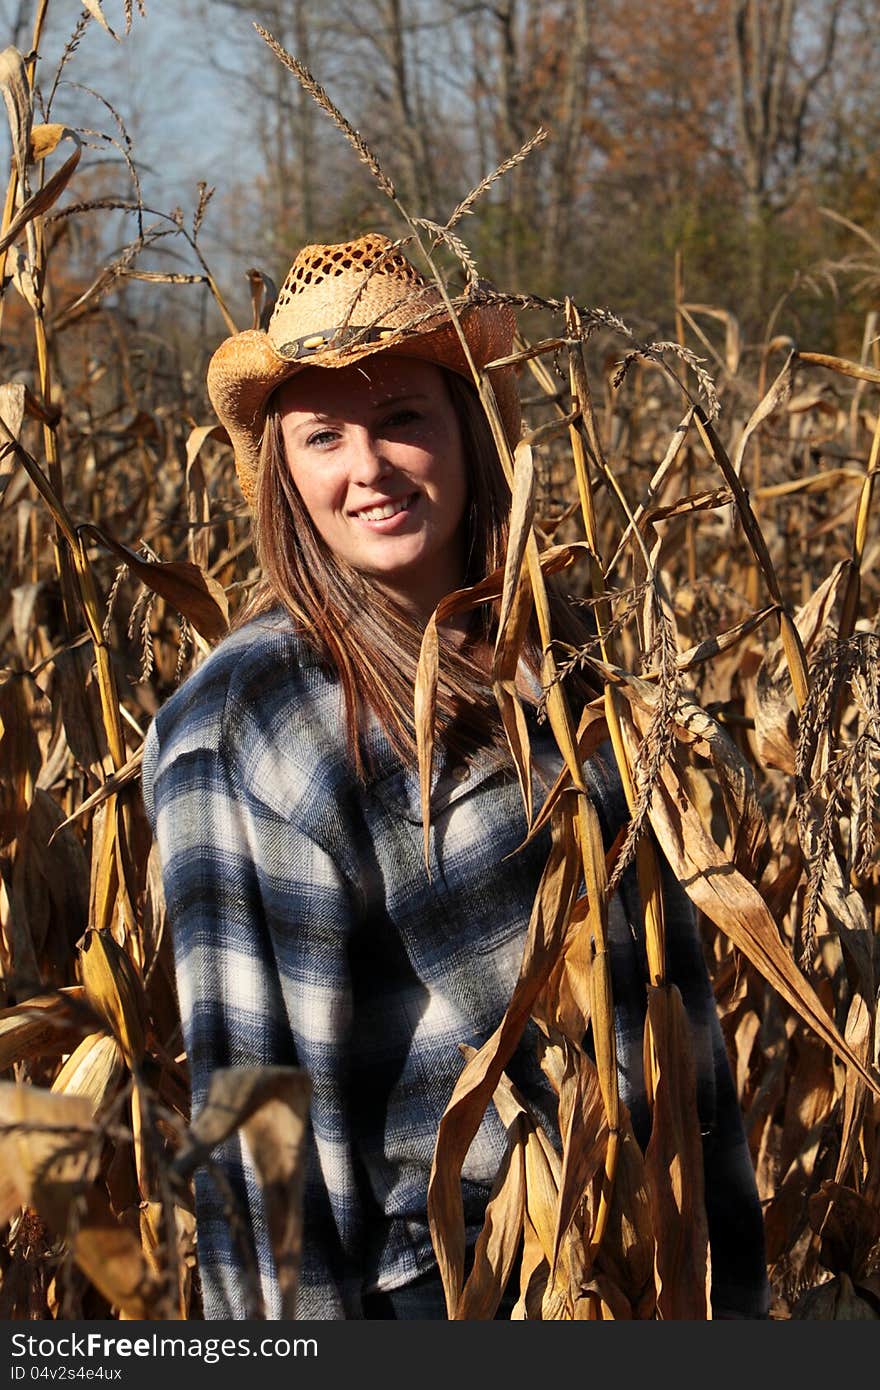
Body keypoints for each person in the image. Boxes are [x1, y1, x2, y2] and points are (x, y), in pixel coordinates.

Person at [141, 232, 770, 1321]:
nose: (365, 467)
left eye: (401, 419)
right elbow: (249, 1123)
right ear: (283, 471)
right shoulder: (246, 724)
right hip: (449, 1279)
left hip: (635, 1249)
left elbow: (671, 1008)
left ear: (471, 434)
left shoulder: (553, 660)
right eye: (322, 435)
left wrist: (725, 1267)